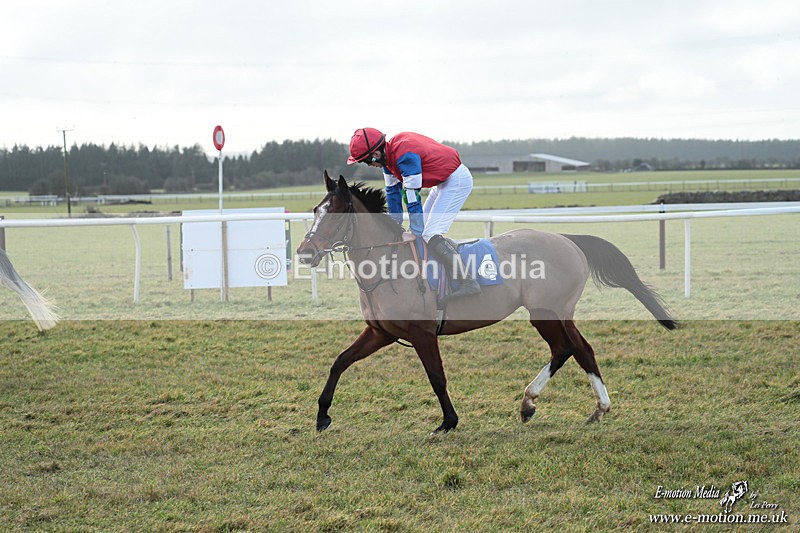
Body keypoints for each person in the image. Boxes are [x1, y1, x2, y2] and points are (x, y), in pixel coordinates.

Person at [347, 127, 480, 301]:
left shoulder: (405, 157)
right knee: (423, 231)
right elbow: (393, 193)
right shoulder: (388, 161)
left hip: (456, 180)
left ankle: (468, 281)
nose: (368, 165)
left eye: (366, 161)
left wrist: (415, 230)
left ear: (376, 154)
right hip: (442, 182)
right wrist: (395, 226)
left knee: (429, 232)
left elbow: (412, 197)